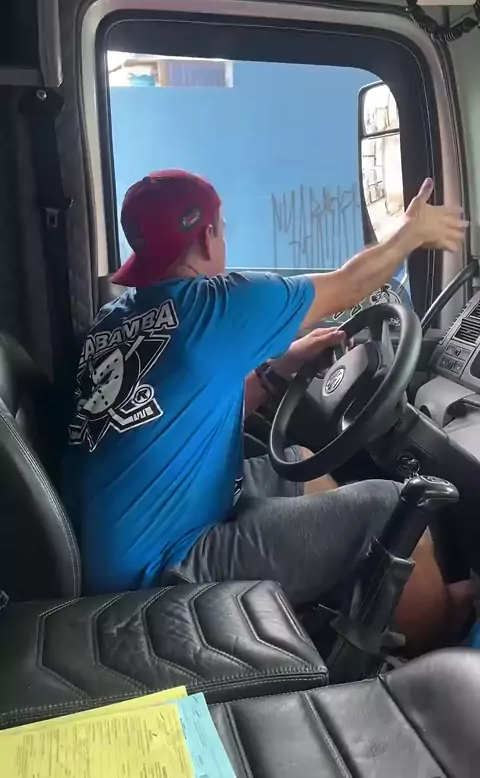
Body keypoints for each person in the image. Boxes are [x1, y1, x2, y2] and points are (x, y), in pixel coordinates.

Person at [63, 170, 468, 651]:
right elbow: (352, 283)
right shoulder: (214, 305)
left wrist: (279, 369)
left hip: (126, 544)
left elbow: (190, 413)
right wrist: (412, 233)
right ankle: (442, 642)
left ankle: (354, 587)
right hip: (160, 570)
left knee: (297, 461)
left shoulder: (116, 318)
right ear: (207, 235)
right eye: (223, 228)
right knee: (389, 507)